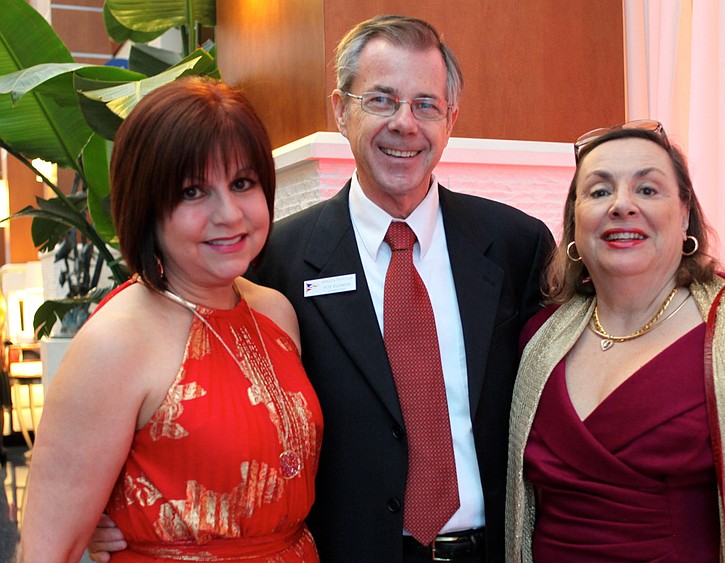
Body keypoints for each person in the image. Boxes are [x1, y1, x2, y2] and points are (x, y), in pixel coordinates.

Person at [89, 14, 554, 563]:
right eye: (380, 100)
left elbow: (556, 398)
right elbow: (209, 398)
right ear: (340, 109)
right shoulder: (273, 262)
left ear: (450, 118)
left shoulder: (516, 245)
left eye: (426, 104)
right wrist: (116, 500)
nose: (404, 123)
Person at [505, 120, 725, 561]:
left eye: (647, 189)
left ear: (685, 213)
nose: (622, 205)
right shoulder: (539, 341)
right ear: (575, 222)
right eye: (599, 191)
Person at [19, 76, 323, 562]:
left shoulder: (274, 312)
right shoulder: (117, 340)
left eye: (242, 184)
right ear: (147, 207)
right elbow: (46, 550)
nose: (229, 214)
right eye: (192, 192)